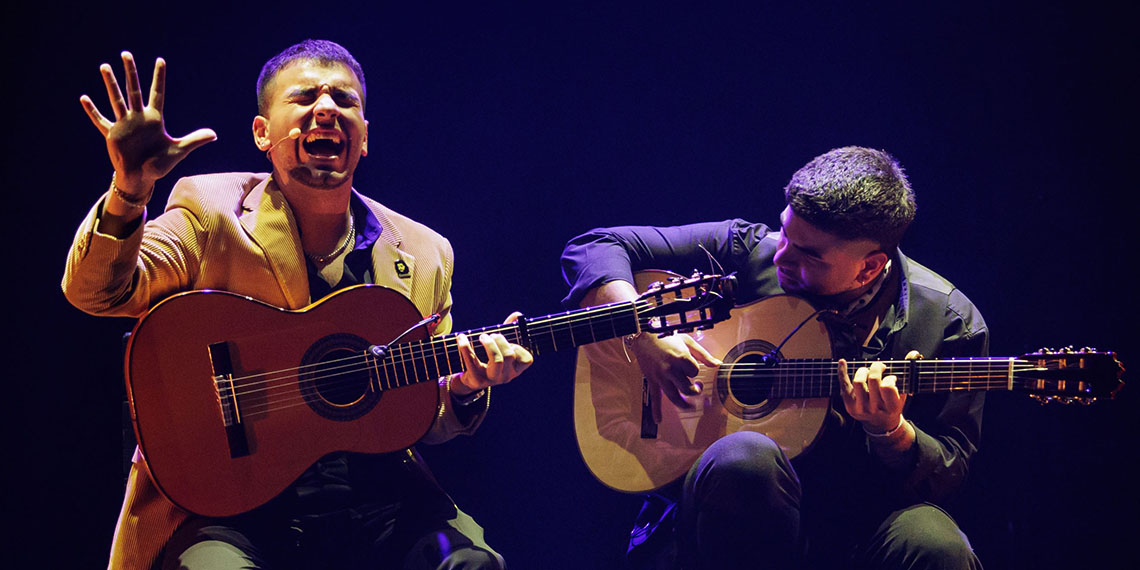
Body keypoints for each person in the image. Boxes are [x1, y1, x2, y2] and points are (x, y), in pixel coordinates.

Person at [63, 40, 533, 570]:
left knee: (475, 565)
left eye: (344, 100)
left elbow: (428, 411)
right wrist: (130, 189)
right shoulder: (208, 209)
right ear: (263, 132)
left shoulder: (425, 252)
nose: (327, 108)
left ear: (364, 138)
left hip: (380, 502)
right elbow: (97, 293)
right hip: (233, 505)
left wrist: (467, 388)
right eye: (305, 96)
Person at [561, 146, 987, 569]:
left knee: (938, 545)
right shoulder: (750, 252)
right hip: (732, 519)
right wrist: (643, 331)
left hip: (862, 525)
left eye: (809, 255)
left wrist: (890, 430)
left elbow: (949, 473)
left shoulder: (949, 322)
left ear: (868, 268)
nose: (781, 254)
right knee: (746, 457)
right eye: (786, 232)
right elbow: (595, 246)